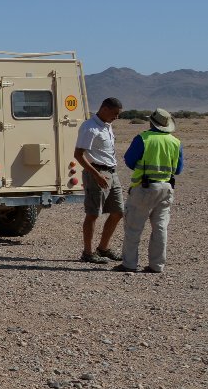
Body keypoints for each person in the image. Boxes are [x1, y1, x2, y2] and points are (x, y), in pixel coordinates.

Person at [116, 108, 183, 275]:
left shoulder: (143, 138)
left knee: (134, 228)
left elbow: (130, 161)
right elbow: (178, 169)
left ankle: (129, 264)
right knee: (160, 227)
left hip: (144, 187)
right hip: (166, 188)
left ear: (151, 122)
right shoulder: (175, 142)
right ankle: (157, 265)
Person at [74, 97, 124, 262]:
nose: (116, 117)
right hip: (96, 173)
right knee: (93, 213)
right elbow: (78, 155)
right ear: (104, 109)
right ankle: (87, 253)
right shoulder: (90, 127)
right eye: (114, 113)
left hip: (111, 172)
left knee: (118, 212)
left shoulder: (107, 126)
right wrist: (96, 174)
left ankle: (103, 248)